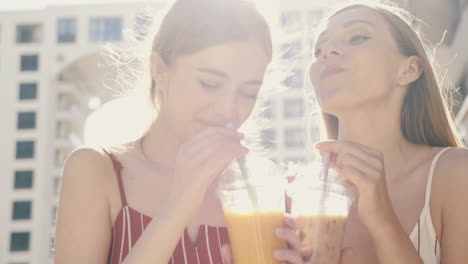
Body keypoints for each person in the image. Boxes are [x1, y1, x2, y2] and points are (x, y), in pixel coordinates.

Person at [53, 0, 304, 263]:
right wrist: (176, 210)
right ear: (159, 70)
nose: (228, 109)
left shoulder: (269, 194)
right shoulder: (95, 171)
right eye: (209, 83)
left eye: (248, 92)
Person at [309, 1, 468, 263]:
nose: (327, 51)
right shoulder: (296, 193)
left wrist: (383, 220)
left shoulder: (456, 173)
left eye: (357, 37)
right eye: (318, 50)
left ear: (408, 69)